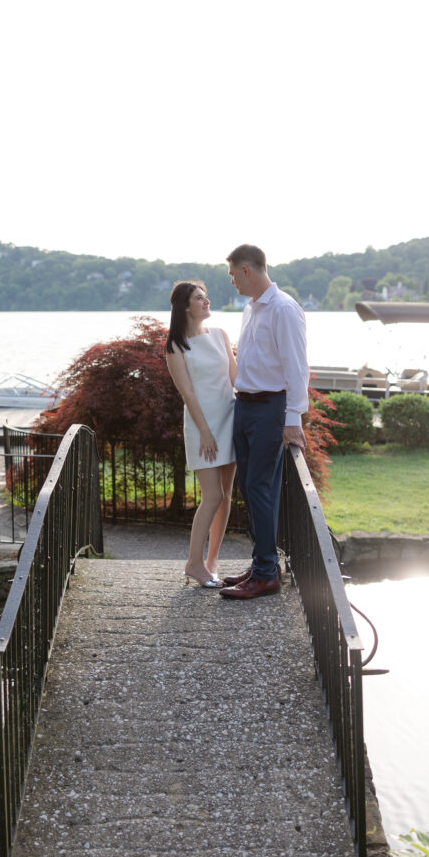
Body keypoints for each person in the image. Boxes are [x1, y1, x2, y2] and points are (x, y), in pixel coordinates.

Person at [220, 244, 309, 600]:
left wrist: (293, 418)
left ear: (246, 270)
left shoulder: (284, 309)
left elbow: (296, 366)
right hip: (246, 406)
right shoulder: (250, 309)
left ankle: (266, 573)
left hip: (270, 409)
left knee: (260, 488)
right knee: (250, 488)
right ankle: (262, 563)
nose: (231, 282)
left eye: (231, 274)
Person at [165, 281, 237, 588]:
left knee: (226, 497)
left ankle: (211, 563)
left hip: (230, 419)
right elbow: (188, 395)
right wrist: (206, 434)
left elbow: (237, 379)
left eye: (206, 296)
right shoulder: (175, 347)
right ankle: (194, 563)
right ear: (185, 306)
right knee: (213, 496)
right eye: (199, 298)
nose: (206, 301)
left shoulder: (221, 335)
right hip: (201, 426)